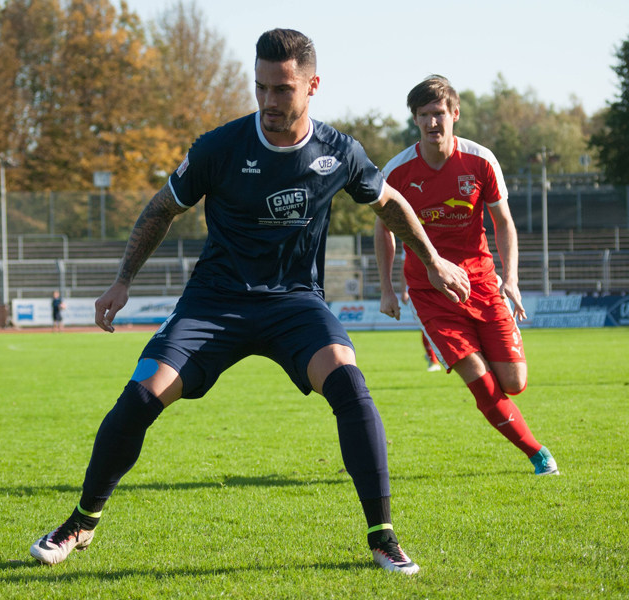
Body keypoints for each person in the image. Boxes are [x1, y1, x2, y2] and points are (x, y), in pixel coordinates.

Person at [30, 31, 471, 575]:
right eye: (260, 87)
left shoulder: (339, 152)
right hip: (214, 304)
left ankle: (382, 536)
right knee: (140, 398)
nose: (269, 101)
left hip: (295, 305)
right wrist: (122, 281)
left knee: (351, 387)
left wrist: (432, 261)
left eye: (282, 90)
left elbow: (389, 203)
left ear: (313, 86)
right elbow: (160, 209)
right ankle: (81, 522)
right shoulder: (220, 147)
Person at [374, 75, 559, 476]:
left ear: (454, 114)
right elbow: (382, 229)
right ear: (415, 120)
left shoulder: (480, 161)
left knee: (513, 382)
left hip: (482, 283)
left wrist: (510, 279)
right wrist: (387, 288)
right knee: (480, 381)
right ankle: (538, 454)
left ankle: (497, 373)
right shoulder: (398, 172)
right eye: (423, 115)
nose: (431, 123)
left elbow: (504, 223)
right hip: (429, 292)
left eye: (438, 114)